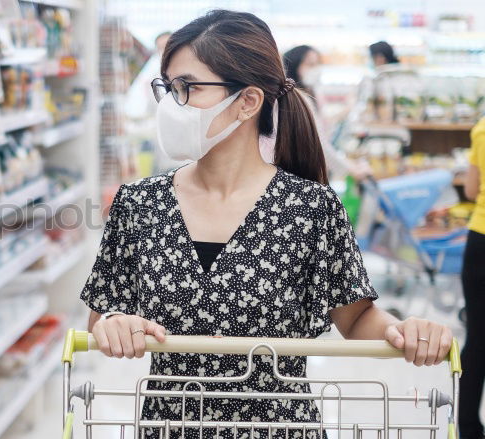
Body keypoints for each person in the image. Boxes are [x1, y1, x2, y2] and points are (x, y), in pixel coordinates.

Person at [80, 10, 453, 439]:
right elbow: (103, 315)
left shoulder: (310, 209)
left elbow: (354, 319)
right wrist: (114, 322)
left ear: (248, 101)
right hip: (170, 426)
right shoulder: (139, 205)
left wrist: (403, 330)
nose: (171, 104)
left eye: (188, 88)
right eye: (167, 87)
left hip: (278, 427)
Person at [281, 45, 372, 179]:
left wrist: (347, 109)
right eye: (310, 64)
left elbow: (322, 126)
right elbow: (319, 145)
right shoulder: (299, 100)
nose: (315, 69)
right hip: (300, 172)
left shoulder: (313, 93)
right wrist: (350, 169)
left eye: (318, 63)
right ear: (294, 66)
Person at [460, 115, 485, 439]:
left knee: (477, 337)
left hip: (481, 239)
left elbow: (471, 188)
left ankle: (467, 427)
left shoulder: (482, 127)